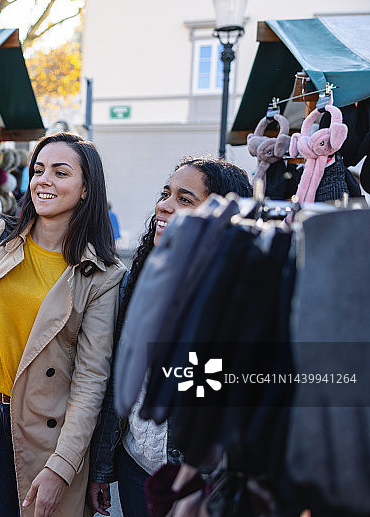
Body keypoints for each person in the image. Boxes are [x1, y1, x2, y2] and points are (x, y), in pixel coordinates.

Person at [0, 132, 126, 517]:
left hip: (50, 438)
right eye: (39, 170)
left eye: (61, 172)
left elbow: (90, 381)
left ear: (85, 189)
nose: (44, 180)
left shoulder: (102, 273)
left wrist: (62, 468)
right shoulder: (2, 237)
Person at [87, 155, 252, 517]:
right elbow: (115, 381)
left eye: (184, 199)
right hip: (136, 467)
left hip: (200, 477)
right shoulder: (139, 277)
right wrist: (101, 469)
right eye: (166, 193)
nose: (164, 205)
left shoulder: (239, 293)